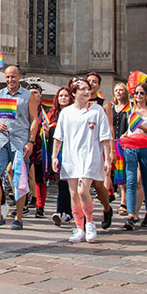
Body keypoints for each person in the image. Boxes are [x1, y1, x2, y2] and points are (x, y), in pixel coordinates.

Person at [52, 78, 113, 243]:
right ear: (74, 93)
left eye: (88, 89)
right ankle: (79, 228)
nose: (87, 92)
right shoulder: (66, 113)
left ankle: (90, 223)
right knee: (73, 194)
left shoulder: (97, 110)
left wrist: (107, 158)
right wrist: (54, 156)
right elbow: (59, 137)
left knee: (82, 190)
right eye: (83, 89)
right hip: (71, 157)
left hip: (90, 155)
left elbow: (105, 137)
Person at [0, 65, 38, 230]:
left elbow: (34, 119)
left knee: (19, 178)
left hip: (20, 142)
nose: (10, 80)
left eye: (13, 77)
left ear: (20, 77)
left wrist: (31, 141)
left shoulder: (28, 96)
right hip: (1, 141)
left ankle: (19, 217)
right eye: (7, 77)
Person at [122, 81, 147, 230]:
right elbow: (129, 130)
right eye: (136, 93)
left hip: (146, 147)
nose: (138, 95)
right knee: (131, 181)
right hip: (131, 147)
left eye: (141, 93)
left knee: (146, 181)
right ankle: (131, 215)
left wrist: (143, 126)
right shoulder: (130, 111)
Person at [85, 71, 114, 229]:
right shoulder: (79, 103)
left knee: (98, 185)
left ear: (99, 85)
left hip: (98, 148)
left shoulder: (104, 104)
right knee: (83, 185)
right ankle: (85, 218)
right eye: (88, 81)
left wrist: (111, 152)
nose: (91, 83)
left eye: (94, 81)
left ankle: (107, 208)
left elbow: (109, 129)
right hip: (83, 148)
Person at [45, 86, 73, 226]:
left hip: (70, 150)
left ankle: (63, 211)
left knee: (67, 182)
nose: (63, 98)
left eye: (66, 96)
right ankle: (64, 211)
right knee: (60, 181)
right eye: (61, 96)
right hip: (56, 150)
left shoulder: (74, 112)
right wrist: (44, 131)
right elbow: (48, 136)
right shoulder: (52, 113)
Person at [27, 83, 48, 218]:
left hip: (40, 148)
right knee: (22, 174)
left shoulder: (46, 111)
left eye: (35, 92)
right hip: (27, 146)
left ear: (40, 95)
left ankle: (40, 206)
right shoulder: (24, 109)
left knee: (40, 178)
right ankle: (24, 204)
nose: (33, 95)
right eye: (30, 93)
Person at [111, 82, 130, 216]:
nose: (118, 92)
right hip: (113, 143)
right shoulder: (112, 108)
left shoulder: (130, 108)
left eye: (121, 90)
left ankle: (124, 201)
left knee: (122, 173)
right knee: (114, 173)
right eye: (116, 90)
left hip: (125, 143)